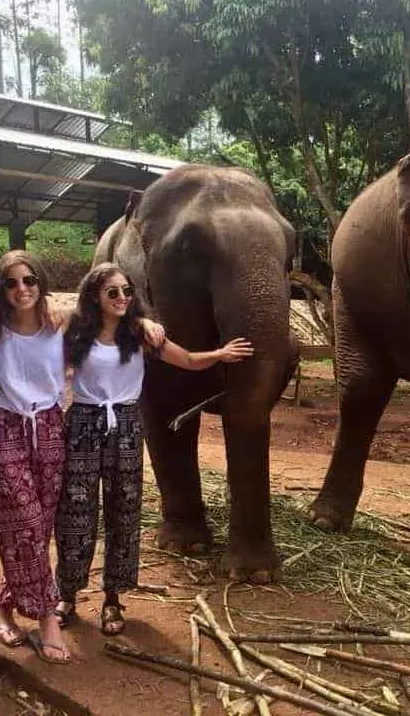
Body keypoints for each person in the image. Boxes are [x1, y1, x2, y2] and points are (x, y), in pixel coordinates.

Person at [0, 250, 165, 664]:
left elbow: (107, 314)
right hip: (9, 428)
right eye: (11, 283)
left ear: (41, 283)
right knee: (32, 523)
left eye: (29, 280)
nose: (21, 289)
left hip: (51, 429)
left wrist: (144, 321)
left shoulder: (59, 322)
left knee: (45, 524)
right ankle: (52, 608)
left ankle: (19, 604)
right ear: (0, 288)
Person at [53, 263, 253, 635]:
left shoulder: (141, 336)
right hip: (82, 423)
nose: (122, 298)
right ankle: (66, 593)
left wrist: (222, 354)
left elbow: (189, 360)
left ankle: (113, 598)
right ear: (94, 295)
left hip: (127, 427)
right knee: (75, 512)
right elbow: (51, 367)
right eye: (112, 292)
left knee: (123, 513)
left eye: (127, 291)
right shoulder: (76, 333)